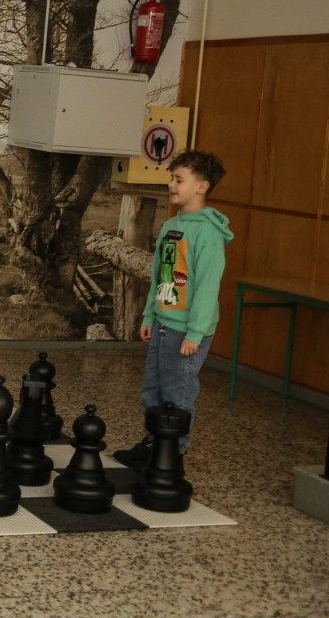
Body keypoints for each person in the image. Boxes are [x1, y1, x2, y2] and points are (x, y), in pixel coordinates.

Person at [114, 150, 234, 469]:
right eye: (171, 178)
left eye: (179, 180)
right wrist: (149, 315)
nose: (171, 184)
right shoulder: (171, 226)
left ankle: (174, 452)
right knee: (152, 388)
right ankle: (152, 442)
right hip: (163, 323)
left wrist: (195, 333)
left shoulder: (207, 234)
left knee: (177, 392)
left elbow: (207, 287)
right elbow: (159, 276)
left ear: (202, 187)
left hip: (187, 330)